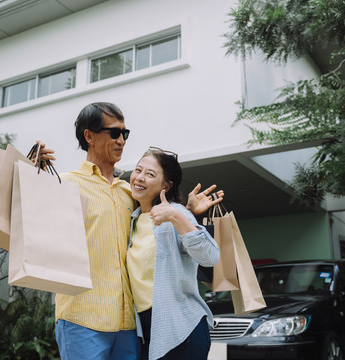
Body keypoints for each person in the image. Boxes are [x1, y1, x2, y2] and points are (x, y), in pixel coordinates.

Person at [36, 102, 223, 360]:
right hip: (82, 317)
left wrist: (185, 210)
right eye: (114, 133)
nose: (121, 140)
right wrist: (30, 174)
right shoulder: (66, 184)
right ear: (89, 136)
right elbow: (30, 224)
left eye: (125, 133)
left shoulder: (128, 193)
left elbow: (160, 218)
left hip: (129, 326)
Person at [127, 147, 220, 360]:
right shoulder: (133, 217)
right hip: (146, 328)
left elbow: (210, 256)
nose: (139, 178)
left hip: (182, 327)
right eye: (138, 170)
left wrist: (177, 216)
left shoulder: (175, 214)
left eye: (150, 174)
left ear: (166, 185)